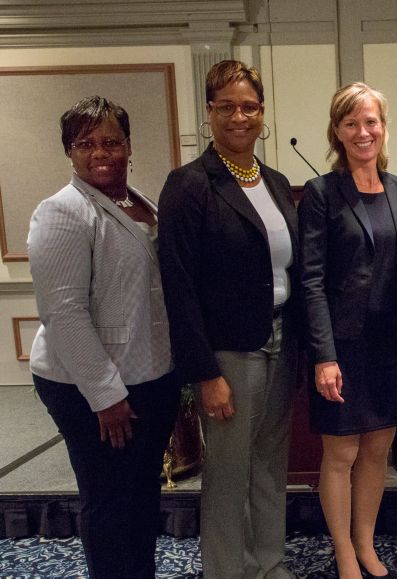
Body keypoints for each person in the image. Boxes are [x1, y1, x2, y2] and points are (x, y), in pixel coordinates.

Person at [27, 95, 180, 578]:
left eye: (112, 141)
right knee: (110, 504)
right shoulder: (62, 212)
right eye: (85, 143)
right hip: (91, 386)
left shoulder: (141, 202)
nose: (101, 152)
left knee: (140, 497)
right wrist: (105, 396)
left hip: (149, 375)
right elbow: (64, 313)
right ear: (69, 152)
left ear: (129, 145)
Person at [158, 60, 300, 579]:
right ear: (209, 113)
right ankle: (225, 570)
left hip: (283, 341)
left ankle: (268, 564)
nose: (239, 117)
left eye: (249, 106)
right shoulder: (190, 185)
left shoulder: (278, 183)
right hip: (229, 352)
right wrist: (205, 374)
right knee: (228, 471)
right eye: (226, 107)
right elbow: (179, 286)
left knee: (268, 465)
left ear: (262, 112)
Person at [299, 82, 397, 579]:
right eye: (350, 123)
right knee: (341, 452)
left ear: (383, 127)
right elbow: (310, 278)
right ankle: (345, 555)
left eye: (370, 121)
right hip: (343, 345)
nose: (362, 131)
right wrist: (324, 355)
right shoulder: (322, 193)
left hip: (390, 344)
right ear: (337, 131)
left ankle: (366, 545)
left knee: (377, 449)